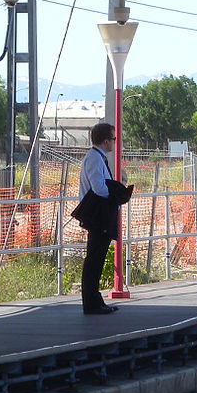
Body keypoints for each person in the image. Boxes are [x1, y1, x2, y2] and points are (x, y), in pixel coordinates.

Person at [74, 122, 133, 315]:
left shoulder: (97, 158)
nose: (115, 143)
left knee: (97, 259)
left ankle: (94, 300)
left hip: (99, 214)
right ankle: (91, 302)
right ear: (106, 140)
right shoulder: (94, 159)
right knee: (94, 259)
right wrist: (114, 194)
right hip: (97, 215)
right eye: (113, 139)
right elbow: (98, 187)